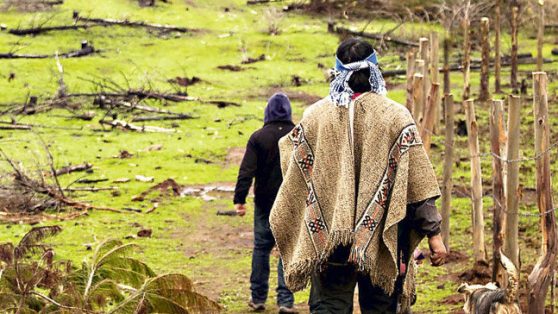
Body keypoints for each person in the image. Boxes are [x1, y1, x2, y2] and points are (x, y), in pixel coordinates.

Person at [269, 38, 448, 314]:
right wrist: (434, 236)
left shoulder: (315, 116)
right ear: (375, 71)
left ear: (337, 72)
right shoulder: (396, 117)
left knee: (329, 306)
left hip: (329, 238)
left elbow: (294, 168)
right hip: (382, 239)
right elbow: (418, 184)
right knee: (380, 307)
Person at [233, 93, 297, 314]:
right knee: (287, 251)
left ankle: (258, 297)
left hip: (264, 203)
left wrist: (239, 199)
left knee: (261, 249)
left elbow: (246, 170)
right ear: (288, 112)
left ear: (267, 112)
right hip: (291, 203)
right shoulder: (298, 135)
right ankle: (285, 301)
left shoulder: (258, 137)